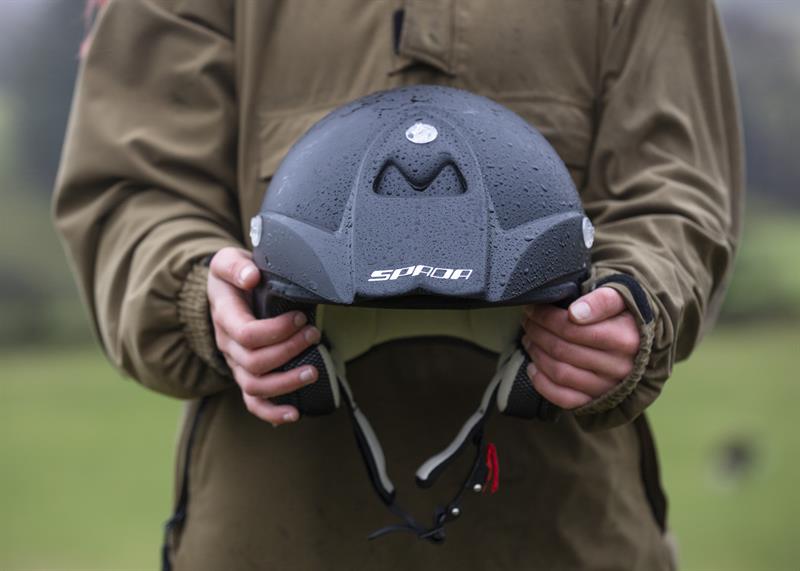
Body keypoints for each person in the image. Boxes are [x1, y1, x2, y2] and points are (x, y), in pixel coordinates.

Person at [54, 1, 742, 569]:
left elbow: (677, 187)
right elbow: (130, 189)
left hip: (569, 528)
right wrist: (200, 294)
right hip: (270, 528)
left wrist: (636, 298)